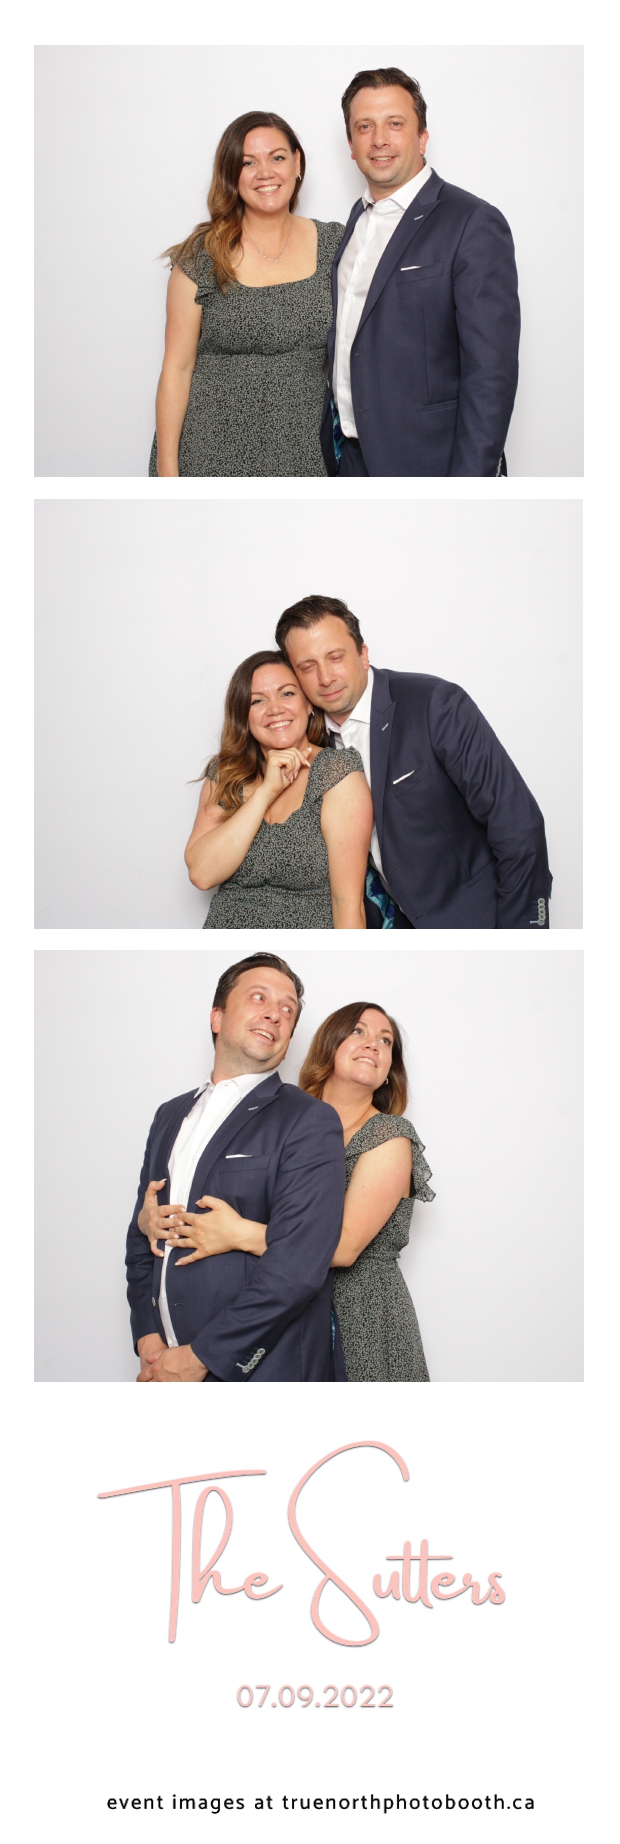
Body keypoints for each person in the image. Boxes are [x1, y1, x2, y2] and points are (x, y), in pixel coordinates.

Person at [161, 1002, 434, 1384]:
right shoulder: (287, 1121)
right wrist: (152, 1217)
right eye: (358, 1031)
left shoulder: (389, 1137)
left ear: (390, 1069)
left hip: (360, 1318)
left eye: (385, 1041)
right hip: (281, 1310)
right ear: (329, 1045)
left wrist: (238, 1234)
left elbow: (343, 1247)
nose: (373, 1044)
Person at [126, 955, 347, 1383]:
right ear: (217, 1016)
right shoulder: (168, 1115)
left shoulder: (310, 1119)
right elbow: (142, 1234)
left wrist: (202, 1357)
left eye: (288, 1010)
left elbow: (299, 1267)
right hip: (164, 1364)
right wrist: (148, 1338)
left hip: (266, 1372)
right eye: (259, 997)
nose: (275, 1014)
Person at [274, 597, 552, 929]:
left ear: (363, 654)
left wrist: (522, 937)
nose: (325, 677)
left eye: (336, 657)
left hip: (482, 921)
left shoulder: (435, 704)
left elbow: (518, 825)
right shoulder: (305, 741)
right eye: (307, 666)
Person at [320, 67, 520, 478]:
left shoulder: (472, 222)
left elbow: (491, 374)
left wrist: (469, 486)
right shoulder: (356, 220)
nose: (379, 139)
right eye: (364, 126)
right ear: (351, 145)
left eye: (395, 124)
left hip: (431, 464)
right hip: (350, 461)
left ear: (422, 136)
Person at [149, 112, 344, 477]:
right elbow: (177, 368)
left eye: (277, 157)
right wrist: (167, 472)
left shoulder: (337, 244)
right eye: (248, 163)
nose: (265, 173)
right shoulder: (200, 257)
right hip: (208, 457)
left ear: (297, 163)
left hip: (306, 457)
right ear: (231, 174)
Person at [185, 649, 372, 928]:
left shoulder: (336, 773)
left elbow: (347, 903)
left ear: (308, 704)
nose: (275, 709)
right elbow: (202, 874)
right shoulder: (226, 774)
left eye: (287, 694)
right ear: (243, 716)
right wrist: (266, 792)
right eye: (257, 700)